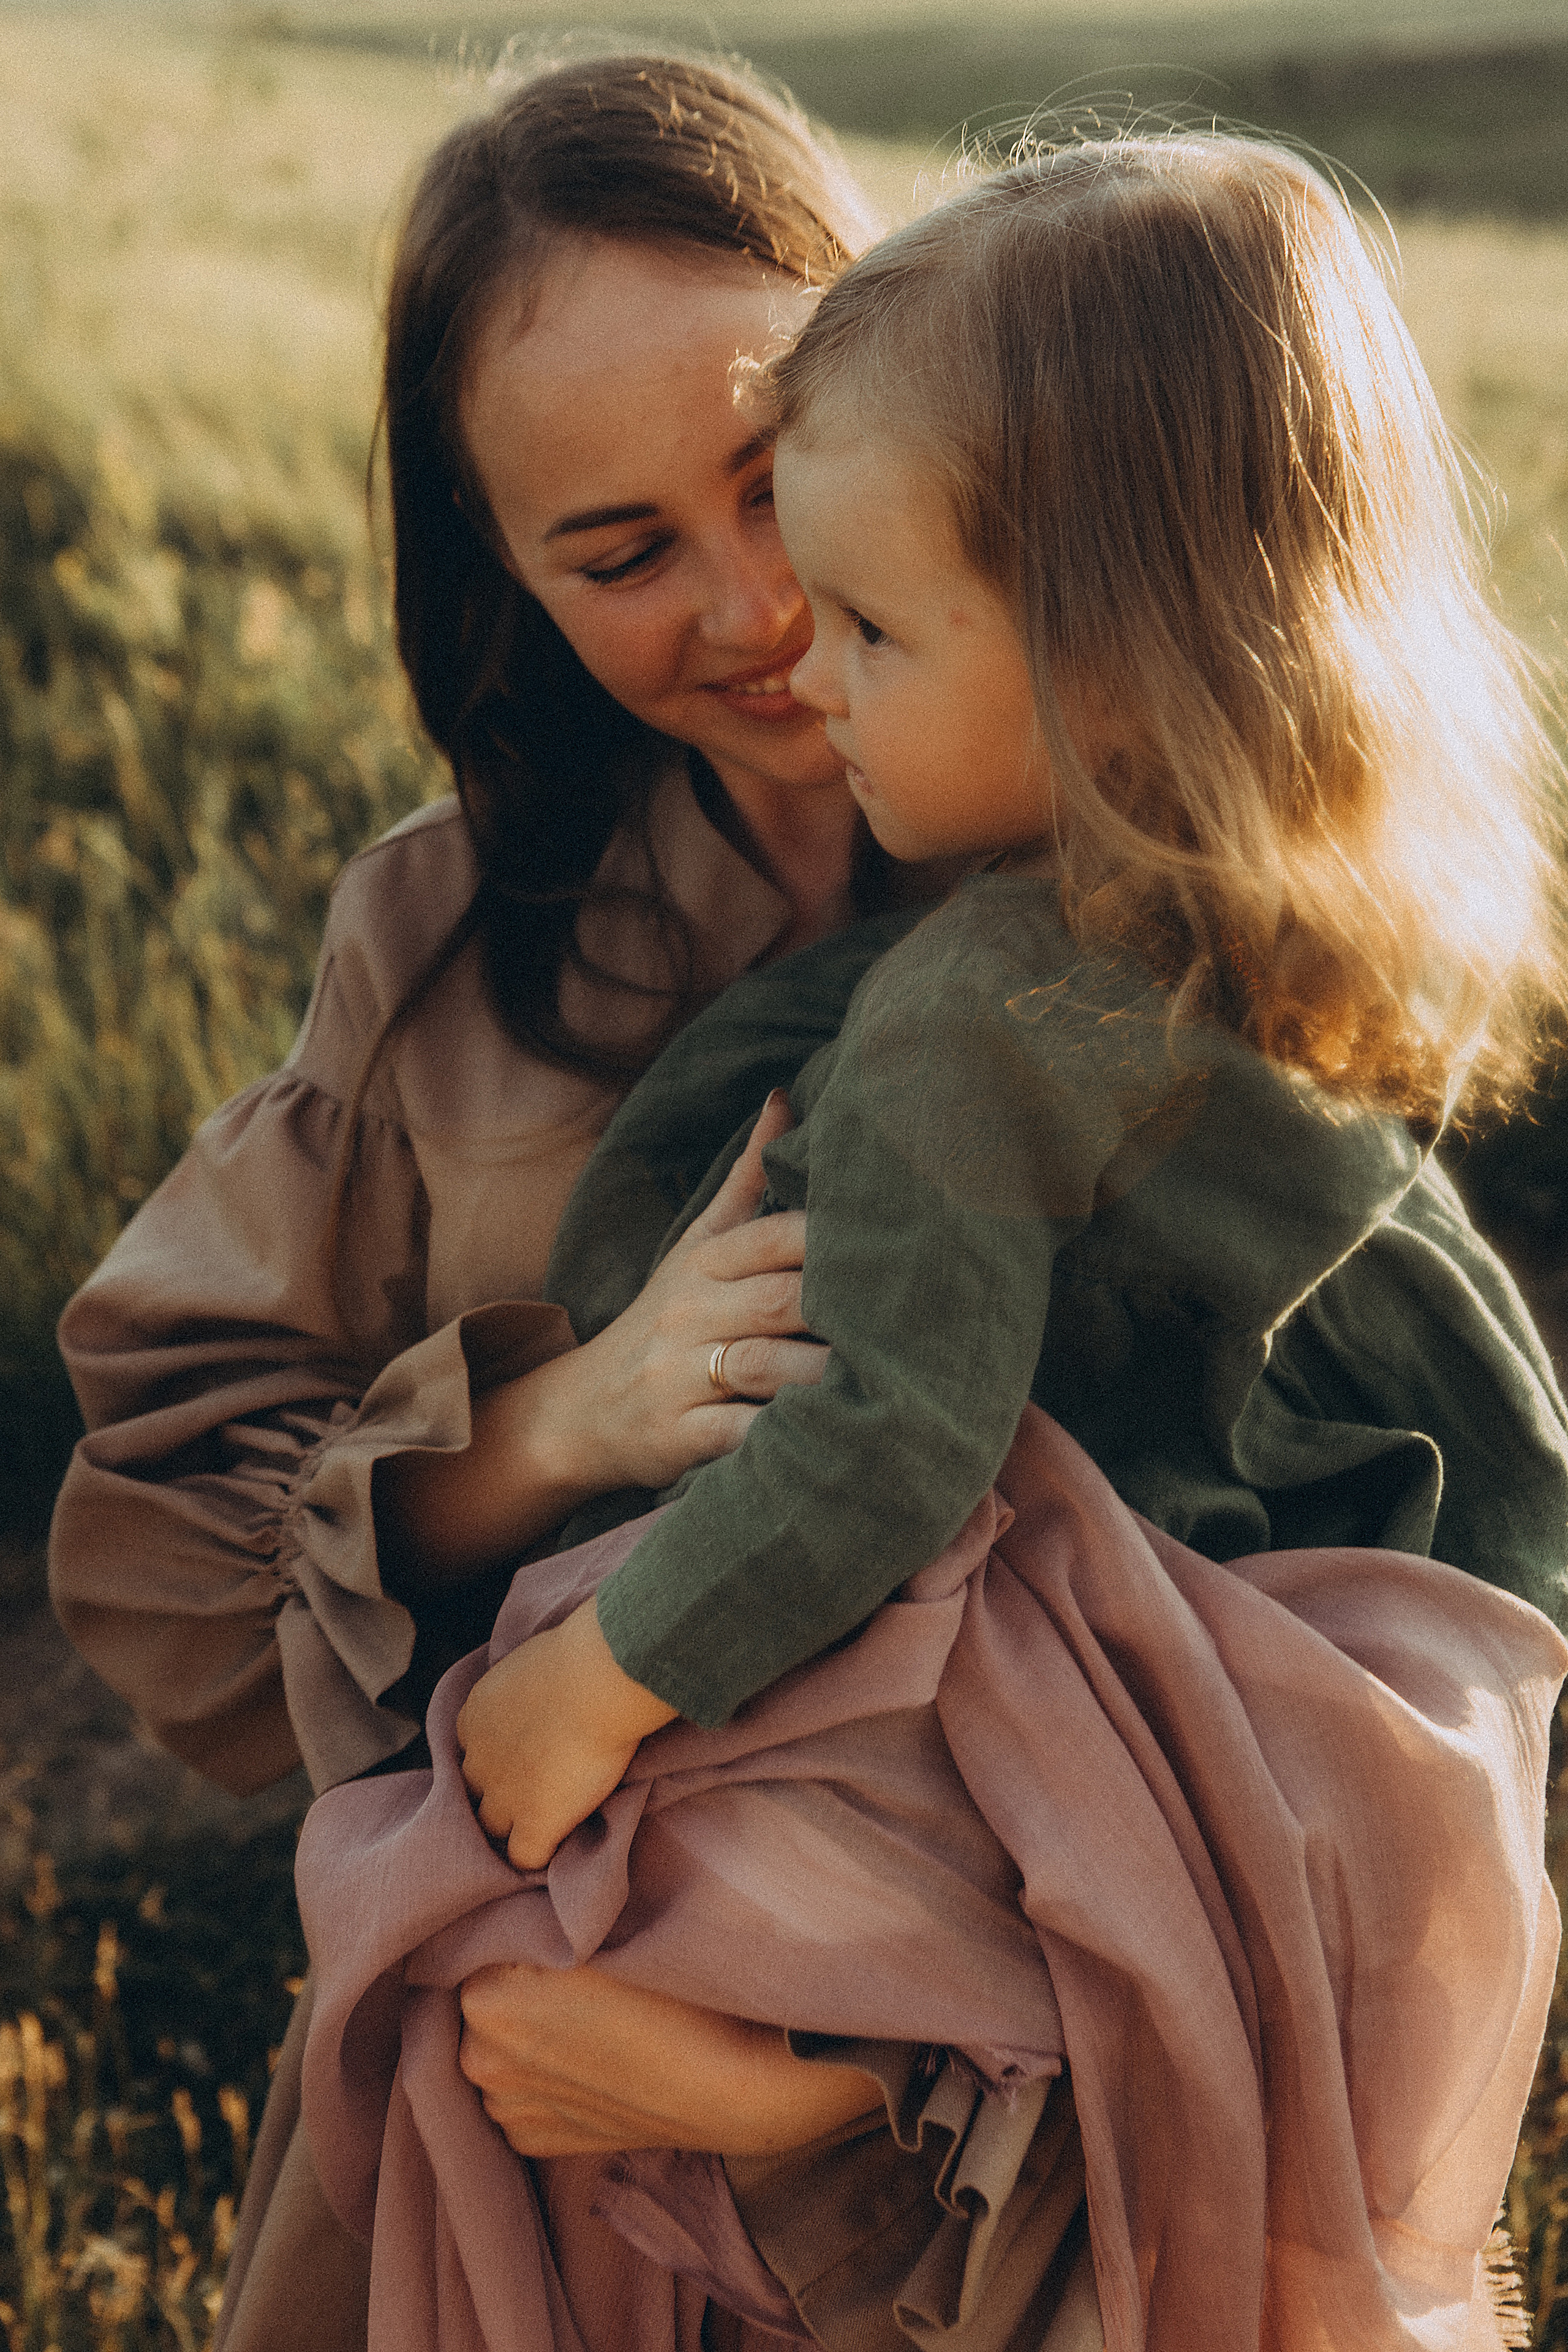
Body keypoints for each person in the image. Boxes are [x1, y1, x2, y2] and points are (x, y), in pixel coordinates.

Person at [295, 132, 1568, 2351]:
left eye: (868, 620)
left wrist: (603, 1679)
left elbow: (889, 1434)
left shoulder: (972, 1014)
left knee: (452, 1907)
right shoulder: (1241, 927)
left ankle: (824, 2111)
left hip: (1125, 1702)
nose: (801, 651)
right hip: (1375, 1696)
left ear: (1115, 668)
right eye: (628, 548)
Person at [45, 48, 929, 2352]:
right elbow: (169, 1542)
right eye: (621, 557)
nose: (758, 607)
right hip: (511, 2132)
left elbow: (1345, 1633)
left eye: (780, 477)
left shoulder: (1139, 890)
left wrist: (824, 2101)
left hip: (1004, 2169)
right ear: (507, 582)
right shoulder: (441, 944)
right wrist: (560, 1424)